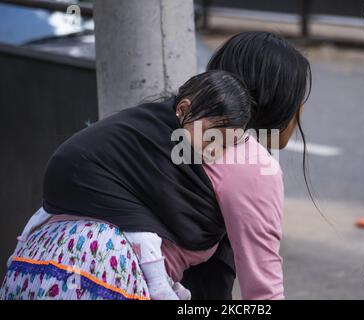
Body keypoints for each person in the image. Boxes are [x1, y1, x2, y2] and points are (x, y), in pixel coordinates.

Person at [0, 70, 254, 300]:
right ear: (183, 109)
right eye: (210, 138)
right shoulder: (154, 137)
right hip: (81, 178)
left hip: (58, 206)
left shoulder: (165, 134)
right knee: (142, 228)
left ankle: (18, 251)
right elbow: (156, 220)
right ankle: (159, 286)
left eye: (223, 145)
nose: (213, 152)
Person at [181, 31, 312, 300]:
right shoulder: (251, 165)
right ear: (276, 102)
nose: (301, 110)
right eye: (298, 98)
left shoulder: (184, 127)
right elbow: (263, 295)